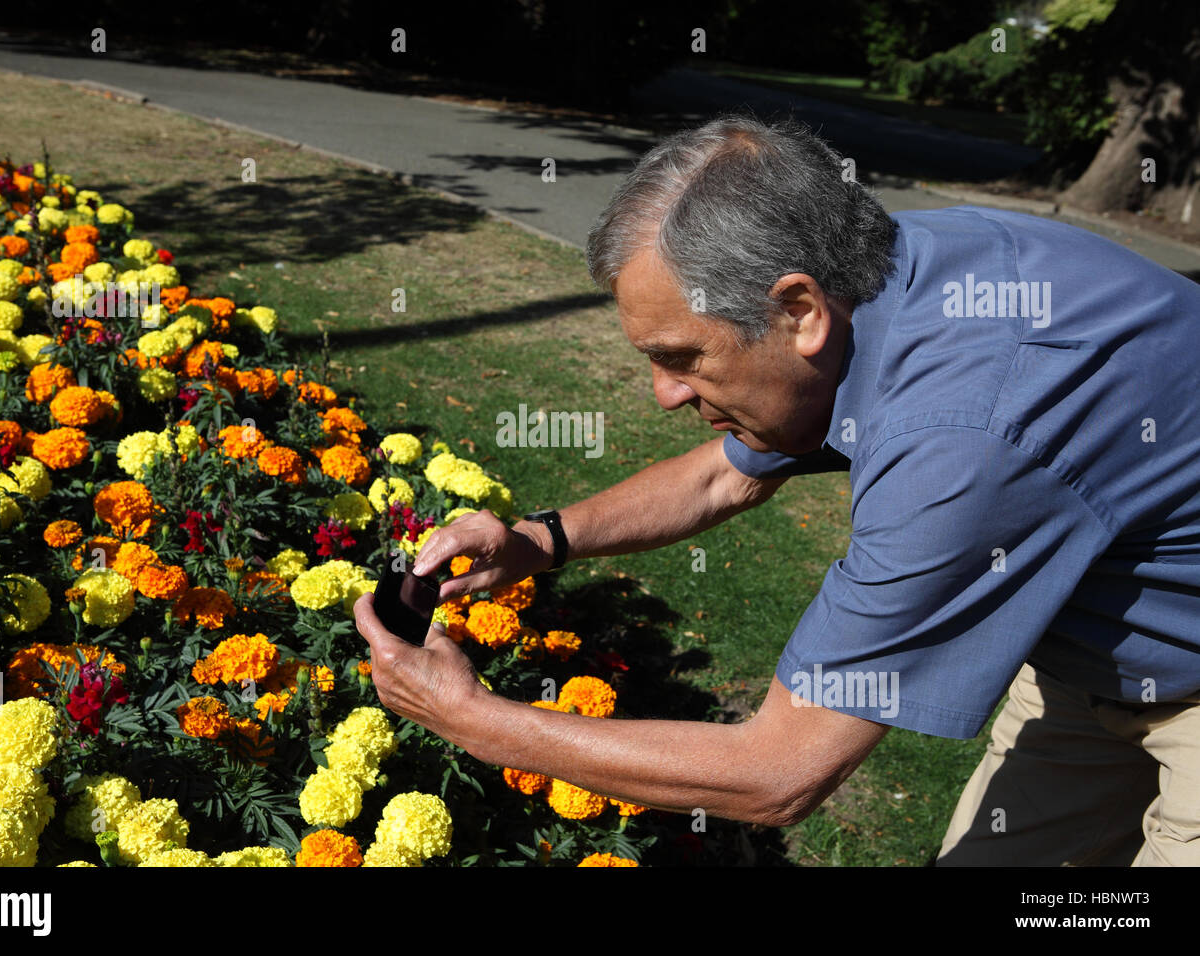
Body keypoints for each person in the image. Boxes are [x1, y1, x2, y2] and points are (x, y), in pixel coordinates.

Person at [353, 113, 1200, 865]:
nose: (665, 394)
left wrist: (474, 721)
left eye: (680, 356)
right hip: (1099, 665)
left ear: (798, 310)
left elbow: (777, 774)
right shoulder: (881, 276)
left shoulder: (961, 439)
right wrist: (540, 540)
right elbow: (727, 475)